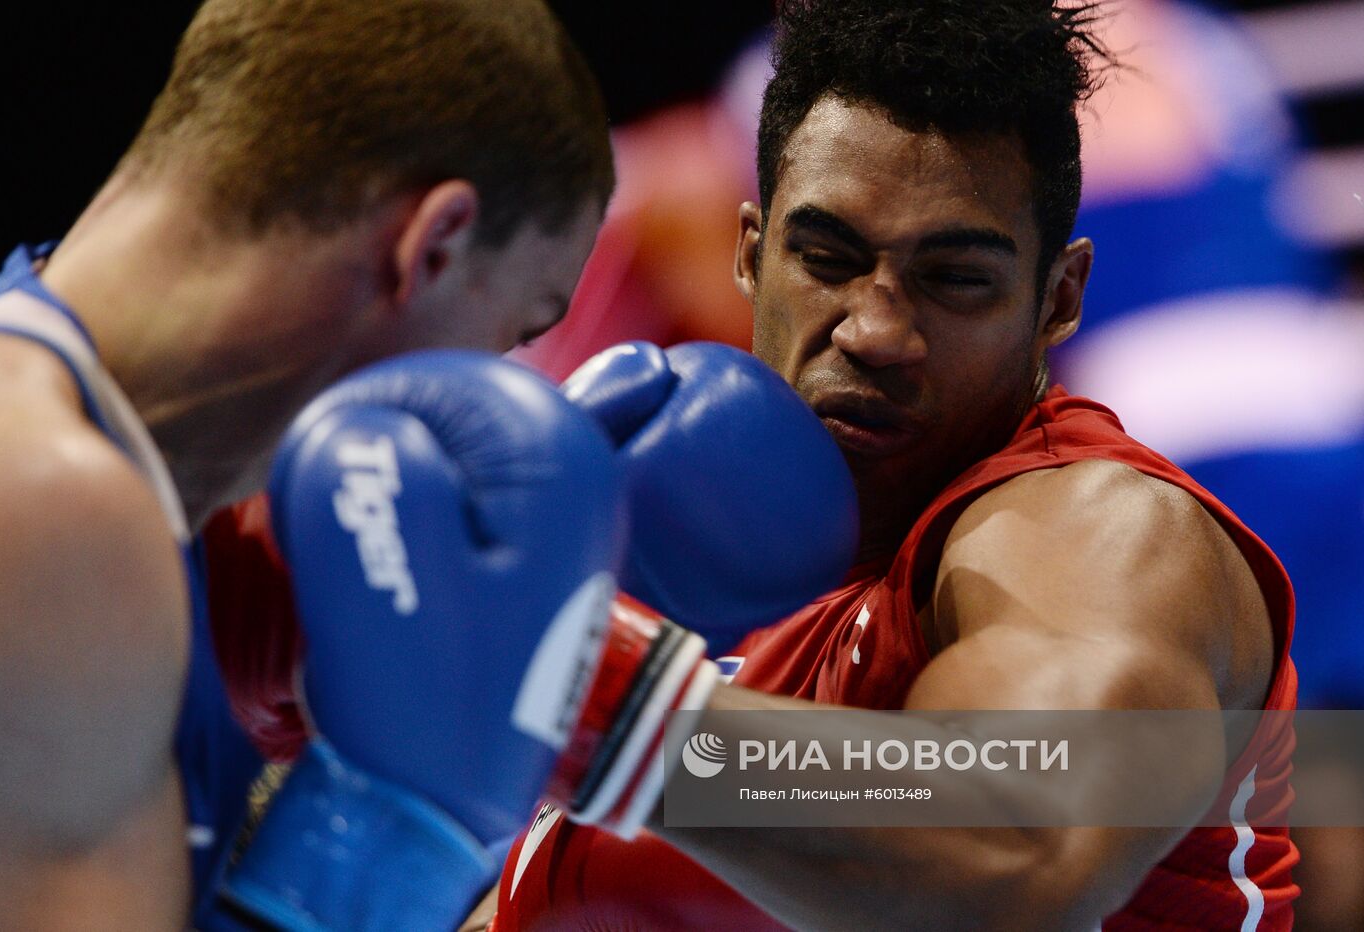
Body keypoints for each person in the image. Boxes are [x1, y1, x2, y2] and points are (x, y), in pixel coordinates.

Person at [487, 1, 1299, 929]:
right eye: (828, 259)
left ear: (1058, 298)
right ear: (751, 254)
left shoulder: (1099, 532)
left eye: (954, 278)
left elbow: (1014, 845)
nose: (875, 332)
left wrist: (573, 681)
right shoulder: (723, 578)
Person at [0, 0, 613, 926]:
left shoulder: (66, 452)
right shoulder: (47, 501)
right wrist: (388, 834)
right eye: (521, 328)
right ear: (432, 246)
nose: (498, 379)